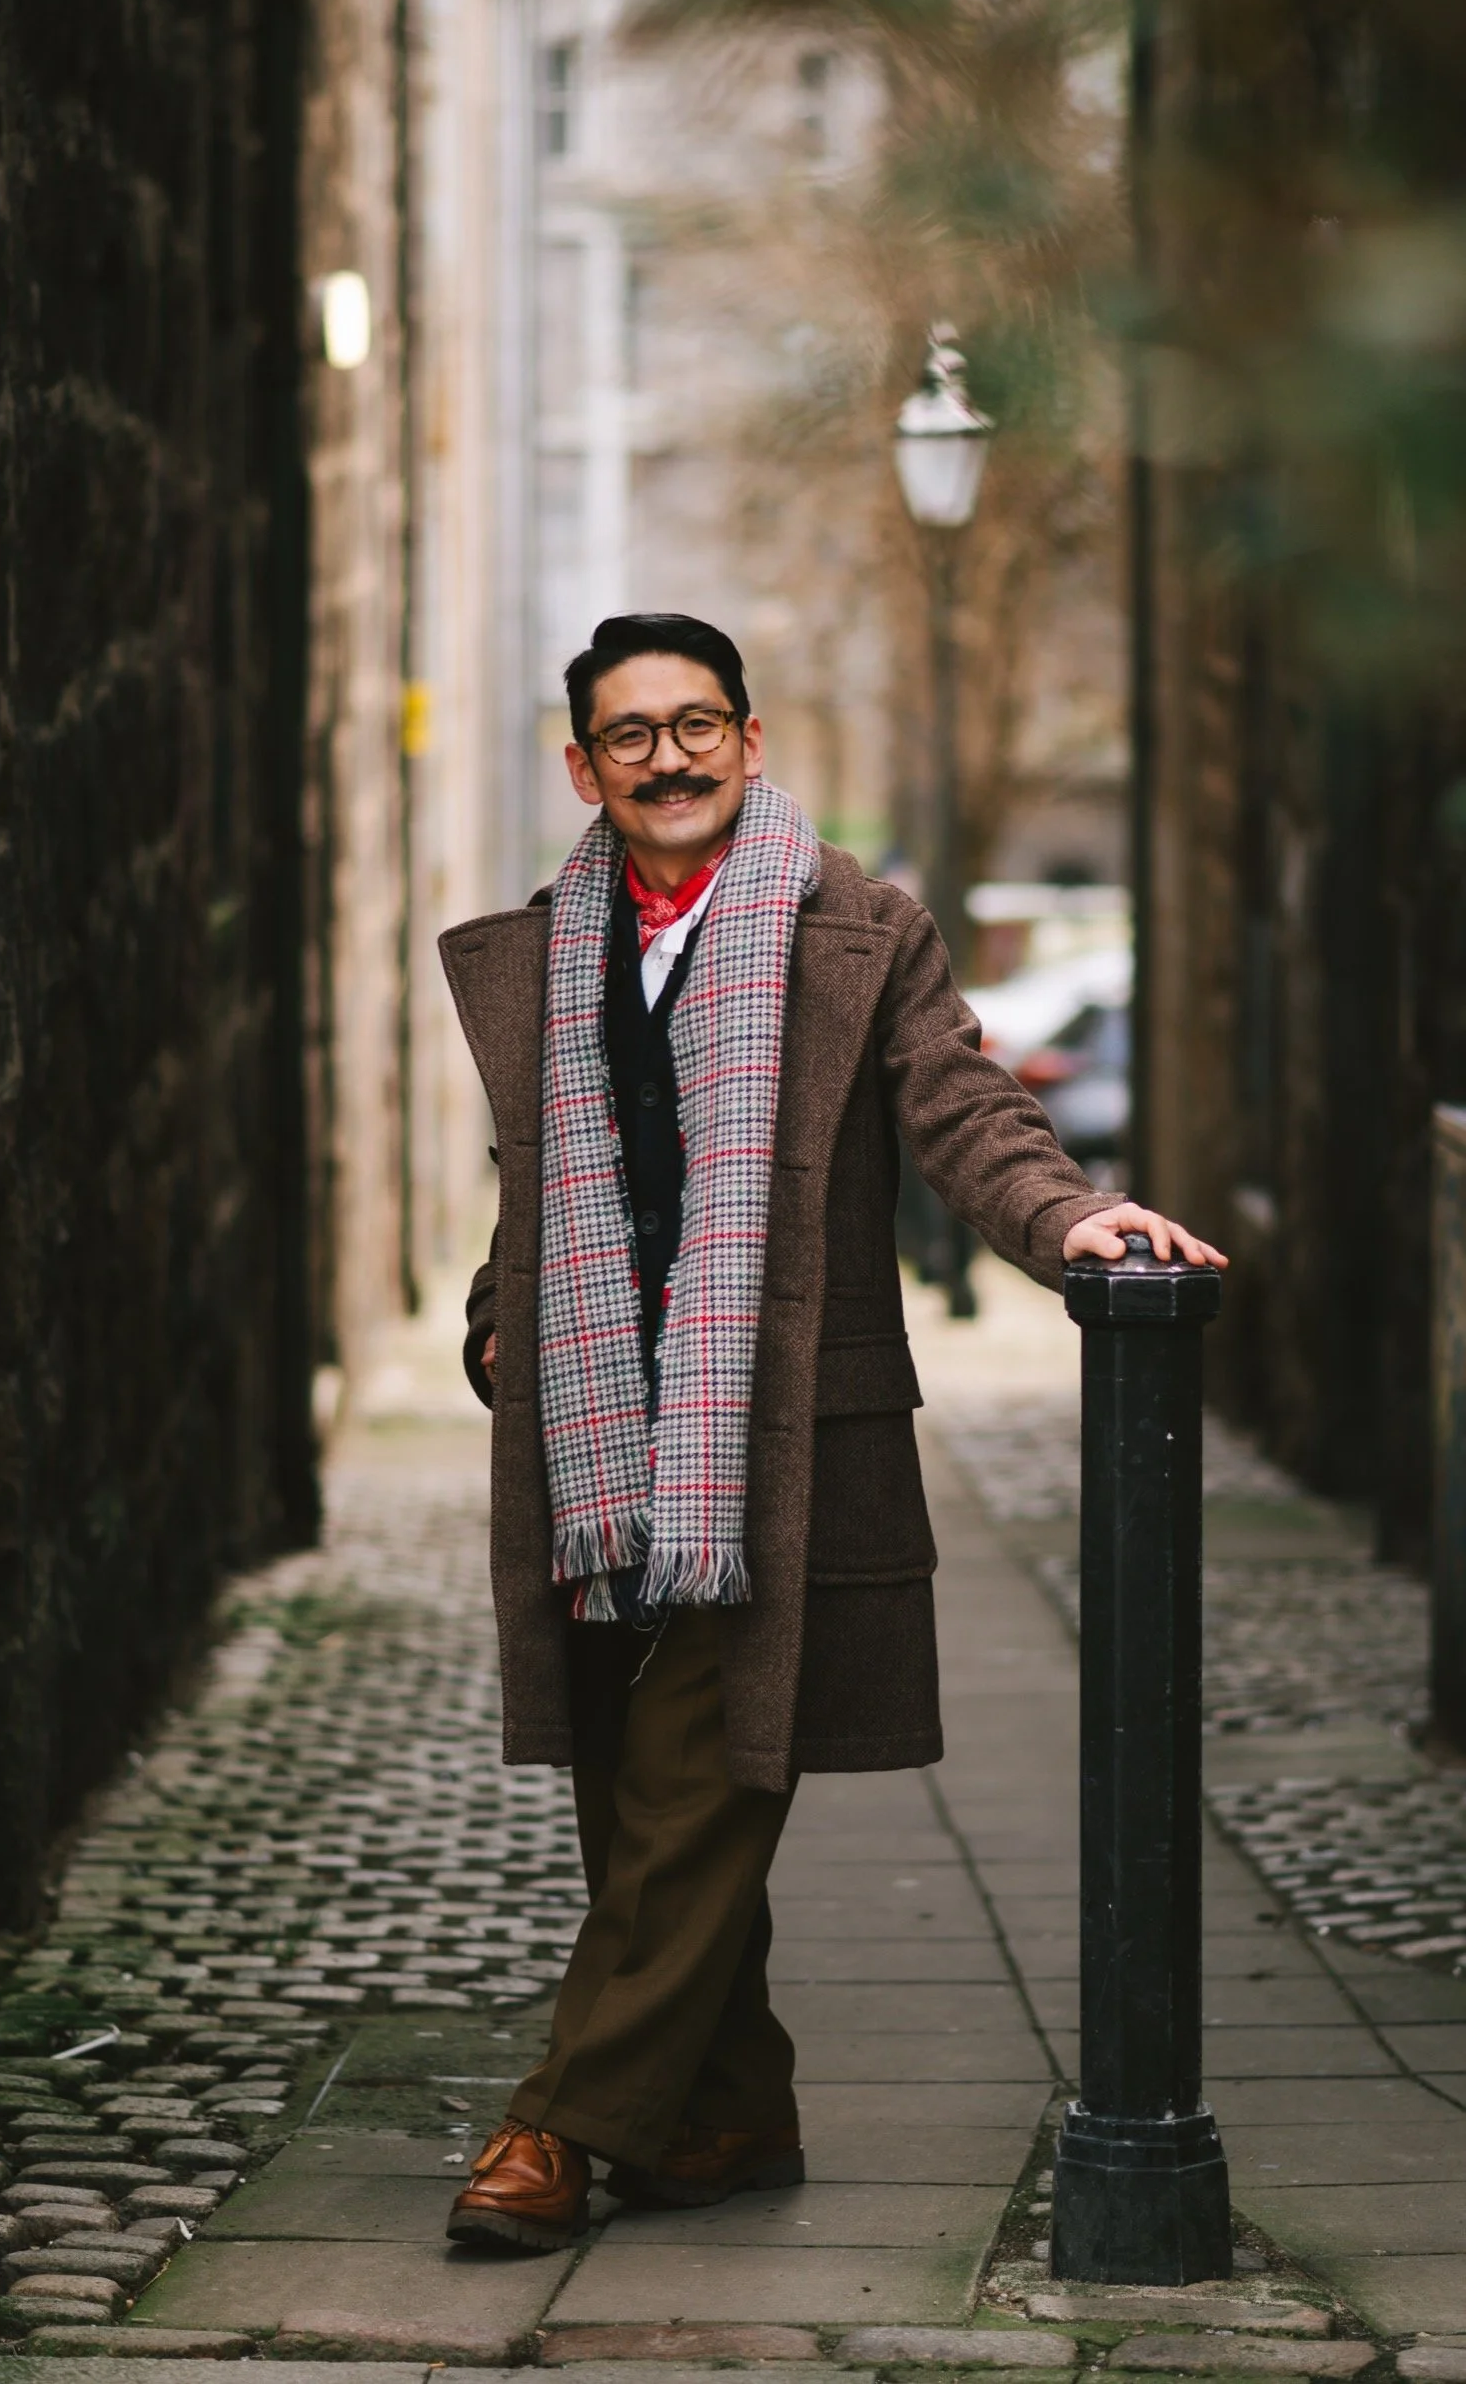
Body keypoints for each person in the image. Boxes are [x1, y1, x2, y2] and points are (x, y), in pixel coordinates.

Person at [436, 612, 1225, 2252]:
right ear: (582, 766)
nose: (670, 754)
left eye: (697, 721)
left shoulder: (857, 931)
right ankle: (729, 2110)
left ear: (749, 739)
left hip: (770, 1438)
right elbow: (546, 1185)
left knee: (693, 1785)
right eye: (631, 733)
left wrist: (1062, 1216)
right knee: (626, 1796)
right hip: (590, 1436)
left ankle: (558, 2129)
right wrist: (494, 1319)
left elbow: (960, 1102)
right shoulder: (554, 942)